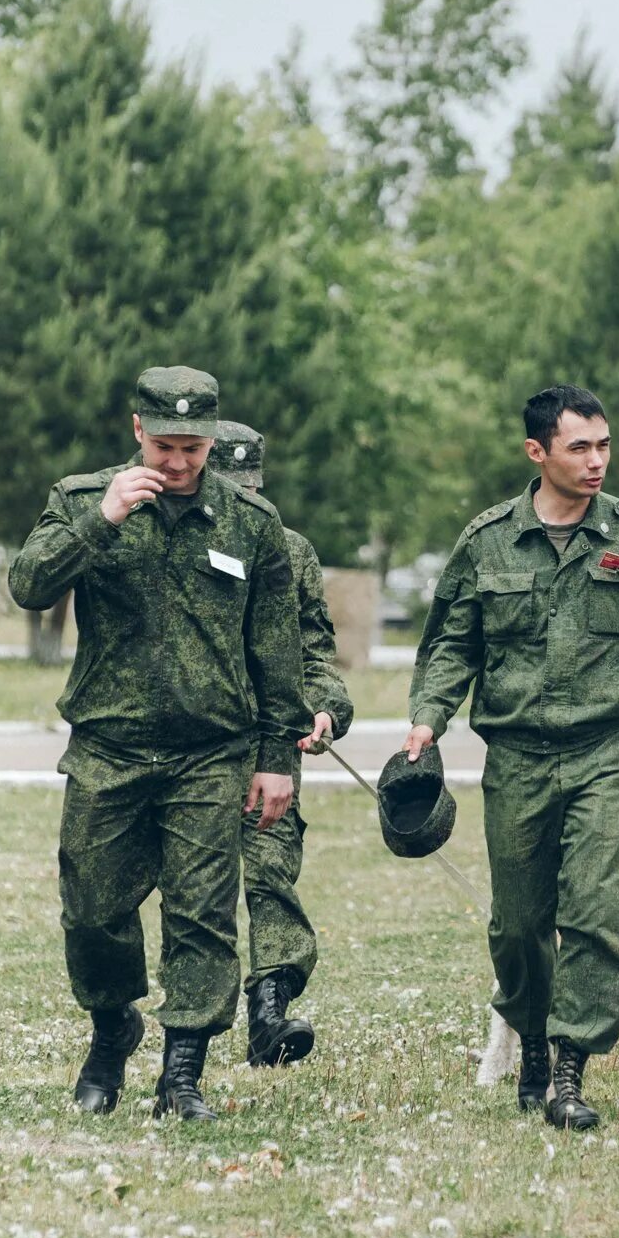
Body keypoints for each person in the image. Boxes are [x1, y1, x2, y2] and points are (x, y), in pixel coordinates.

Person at [405, 385, 619, 1130]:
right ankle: (531, 1035)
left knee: (602, 912)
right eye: (579, 448)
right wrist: (428, 718)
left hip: (606, 751)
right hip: (519, 756)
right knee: (519, 924)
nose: (597, 462)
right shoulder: (487, 539)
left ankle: (569, 1067)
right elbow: (452, 641)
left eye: (604, 446)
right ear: (538, 452)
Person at [8, 366, 310, 1123]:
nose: (179, 462)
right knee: (92, 909)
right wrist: (100, 521)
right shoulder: (82, 498)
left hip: (211, 752)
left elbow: (277, 650)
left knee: (201, 914)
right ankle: (113, 1027)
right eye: (166, 444)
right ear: (137, 429)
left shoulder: (249, 522)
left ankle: (182, 1074)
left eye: (195, 446)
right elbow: (28, 584)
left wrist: (277, 758)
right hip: (109, 746)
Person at [209, 420, 354, 1067]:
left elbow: (316, 651)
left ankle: (268, 1013)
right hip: (187, 743)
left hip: (269, 743)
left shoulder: (291, 551)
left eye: (251, 489)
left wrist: (325, 707)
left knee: (270, 877)